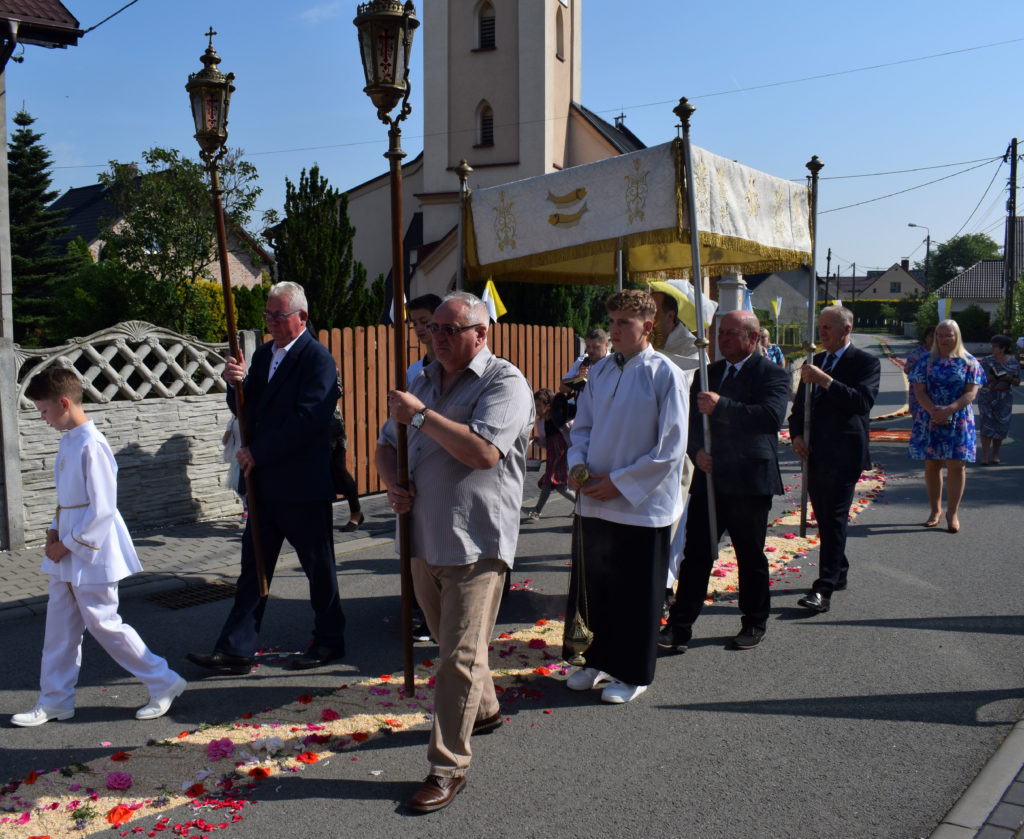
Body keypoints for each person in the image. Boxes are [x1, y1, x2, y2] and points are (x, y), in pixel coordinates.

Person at [375, 291, 533, 814]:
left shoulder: (504, 382)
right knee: (451, 643)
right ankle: (484, 710)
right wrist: (392, 482)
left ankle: (447, 767)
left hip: (476, 541)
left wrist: (421, 417)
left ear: (480, 333)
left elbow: (484, 452)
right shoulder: (420, 380)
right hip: (422, 535)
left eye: (449, 329)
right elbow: (386, 444)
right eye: (432, 328)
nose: (435, 337)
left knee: (458, 657)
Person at [188, 281, 347, 674]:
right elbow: (248, 410)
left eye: (279, 315)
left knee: (318, 567)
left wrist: (258, 451)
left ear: (302, 317)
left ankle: (329, 639)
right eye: (268, 315)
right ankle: (236, 649)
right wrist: (236, 384)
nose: (272, 322)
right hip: (264, 484)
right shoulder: (262, 355)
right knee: (253, 567)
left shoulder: (317, 359)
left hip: (302, 484)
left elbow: (309, 420)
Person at [13, 368, 186, 726]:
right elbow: (68, 500)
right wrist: (52, 531)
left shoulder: (92, 443)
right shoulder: (69, 440)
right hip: (68, 548)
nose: (43, 418)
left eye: (44, 410)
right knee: (59, 628)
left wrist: (67, 545)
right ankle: (56, 700)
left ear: (64, 403)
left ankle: (164, 680)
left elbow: (103, 507)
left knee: (104, 623)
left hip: (92, 553)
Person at [564, 289, 688, 704]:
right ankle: (593, 659)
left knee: (635, 593)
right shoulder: (599, 372)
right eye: (612, 322)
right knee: (594, 586)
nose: (613, 330)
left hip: (639, 503)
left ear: (647, 327)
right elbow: (582, 428)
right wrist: (577, 466)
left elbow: (671, 447)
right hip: (594, 496)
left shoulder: (665, 373)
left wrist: (619, 482)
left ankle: (633, 672)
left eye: (624, 323)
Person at [659, 310, 790, 652]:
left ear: (752, 337)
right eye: (721, 333)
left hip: (749, 481)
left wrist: (722, 406)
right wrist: (696, 452)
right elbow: (688, 423)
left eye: (731, 333)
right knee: (696, 555)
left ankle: (754, 621)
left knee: (749, 555)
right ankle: (679, 626)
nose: (723, 339)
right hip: (710, 479)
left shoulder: (772, 374)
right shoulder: (708, 374)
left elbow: (770, 418)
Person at [789, 305, 880, 613]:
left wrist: (826, 381)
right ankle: (838, 569)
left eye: (828, 327)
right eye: (821, 326)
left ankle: (823, 587)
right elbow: (799, 408)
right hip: (815, 453)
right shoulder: (814, 361)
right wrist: (796, 435)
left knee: (835, 517)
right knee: (826, 518)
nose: (822, 332)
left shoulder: (865, 362)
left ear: (846, 329)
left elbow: (862, 402)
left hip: (844, 453)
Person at [650, 285, 700, 617]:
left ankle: (665, 585)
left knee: (670, 520)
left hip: (675, 448)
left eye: (655, 312)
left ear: (671, 314)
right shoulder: (644, 343)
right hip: (640, 444)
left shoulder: (692, 349)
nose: (650, 320)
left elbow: (680, 390)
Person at [907, 319, 984, 533]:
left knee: (956, 465)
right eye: (939, 335)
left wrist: (949, 409)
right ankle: (935, 510)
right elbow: (919, 390)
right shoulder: (925, 361)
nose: (943, 339)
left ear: (956, 337)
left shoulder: (970, 362)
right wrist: (934, 411)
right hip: (930, 417)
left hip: (959, 418)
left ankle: (952, 513)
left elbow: (971, 392)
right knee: (932, 464)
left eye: (948, 335)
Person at [522, 388, 575, 520]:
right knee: (558, 485)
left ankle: (537, 510)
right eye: (535, 406)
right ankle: (581, 506)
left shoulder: (559, 417)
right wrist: (538, 441)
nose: (537, 409)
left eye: (539, 405)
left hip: (562, 453)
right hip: (553, 454)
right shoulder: (541, 422)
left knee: (552, 482)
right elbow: (546, 442)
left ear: (548, 404)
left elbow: (571, 430)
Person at [976, 333, 1020, 466]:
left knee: (1001, 426)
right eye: (992, 345)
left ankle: (995, 454)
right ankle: (985, 455)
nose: (992, 348)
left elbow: (1017, 381)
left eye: (995, 346)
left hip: (1004, 397)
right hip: (987, 395)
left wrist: (1009, 378)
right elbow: (980, 378)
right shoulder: (987, 360)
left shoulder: (1013, 362)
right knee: (986, 425)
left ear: (1003, 348)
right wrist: (992, 377)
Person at [406, 293, 444, 387]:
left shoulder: (454, 368)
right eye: (415, 323)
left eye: (424, 322)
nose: (418, 328)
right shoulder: (413, 370)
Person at [560, 328, 610, 392]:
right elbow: (562, 388)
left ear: (606, 345)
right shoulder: (582, 360)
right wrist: (578, 378)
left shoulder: (614, 363)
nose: (590, 350)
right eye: (588, 346)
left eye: (595, 347)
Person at [904, 326, 936, 422]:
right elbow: (907, 369)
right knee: (919, 420)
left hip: (935, 393)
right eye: (931, 336)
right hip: (918, 392)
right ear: (926, 337)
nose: (933, 339)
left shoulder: (942, 353)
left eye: (936, 336)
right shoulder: (917, 353)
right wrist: (920, 368)